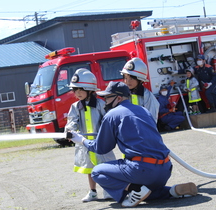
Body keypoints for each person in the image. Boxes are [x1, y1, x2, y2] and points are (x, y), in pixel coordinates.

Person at [68, 81, 198, 207]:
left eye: (107, 97)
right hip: (165, 168)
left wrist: (80, 140)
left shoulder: (112, 115)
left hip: (142, 169)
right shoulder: (143, 111)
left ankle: (135, 189)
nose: (105, 101)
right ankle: (170, 191)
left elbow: (101, 148)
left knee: (97, 172)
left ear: (118, 98)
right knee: (145, 190)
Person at [65, 68, 116, 202]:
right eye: (75, 90)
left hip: (101, 143)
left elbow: (107, 120)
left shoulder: (100, 104)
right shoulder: (75, 106)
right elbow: (72, 121)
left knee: (105, 167)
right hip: (84, 143)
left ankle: (108, 190)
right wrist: (70, 131)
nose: (78, 93)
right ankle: (93, 191)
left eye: (81, 89)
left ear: (90, 89)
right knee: (90, 169)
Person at [121, 57, 160, 123]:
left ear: (141, 80)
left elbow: (152, 119)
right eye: (125, 78)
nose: (127, 81)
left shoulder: (148, 97)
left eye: (131, 79)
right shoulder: (121, 94)